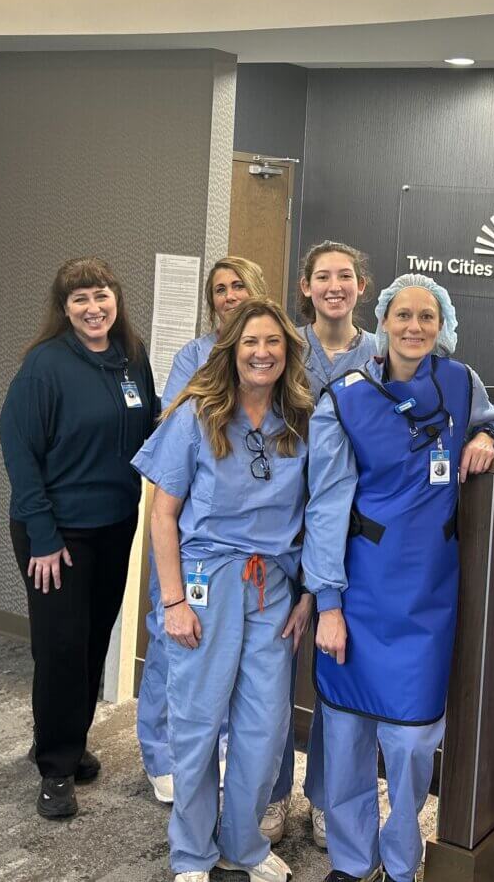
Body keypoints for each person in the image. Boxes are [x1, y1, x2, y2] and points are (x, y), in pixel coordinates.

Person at [303, 274, 494, 882]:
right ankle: (351, 859)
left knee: (414, 743)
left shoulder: (459, 382)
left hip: (429, 593)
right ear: (383, 322)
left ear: (441, 324)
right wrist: (329, 604)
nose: (415, 327)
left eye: (427, 317)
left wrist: (483, 433)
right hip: (360, 587)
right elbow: (326, 506)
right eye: (403, 316)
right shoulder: (344, 399)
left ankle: (400, 859)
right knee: (345, 739)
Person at [131, 299, 313, 882]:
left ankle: (243, 845)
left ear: (288, 351)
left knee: (264, 726)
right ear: (231, 352)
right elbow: (163, 517)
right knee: (198, 722)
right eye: (250, 343)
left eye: (273, 343)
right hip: (206, 583)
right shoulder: (197, 414)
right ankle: (191, 853)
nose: (263, 353)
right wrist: (174, 600)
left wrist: (308, 593)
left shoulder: (301, 422)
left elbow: (320, 512)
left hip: (273, 587)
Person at [0, 257, 158, 820]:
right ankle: (56, 770)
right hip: (55, 533)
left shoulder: (131, 356)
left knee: (91, 641)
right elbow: (18, 451)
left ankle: (67, 736)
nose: (93, 308)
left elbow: (151, 425)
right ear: (63, 309)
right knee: (61, 646)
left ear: (117, 298)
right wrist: (43, 535)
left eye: (101, 295)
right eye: (80, 300)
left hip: (115, 524)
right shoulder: (45, 366)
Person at [140, 255, 270, 804]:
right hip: (192, 535)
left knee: (230, 656)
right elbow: (173, 433)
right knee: (176, 641)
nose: (228, 295)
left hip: (251, 547)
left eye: (239, 285)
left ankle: (211, 751)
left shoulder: (276, 358)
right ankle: (160, 751)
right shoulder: (192, 358)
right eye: (219, 289)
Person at [268, 241, 383, 849]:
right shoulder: (284, 348)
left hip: (358, 535)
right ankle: (272, 794)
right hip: (283, 525)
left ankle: (324, 800)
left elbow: (454, 403)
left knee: (337, 674)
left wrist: (489, 432)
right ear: (305, 286)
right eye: (322, 277)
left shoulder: (384, 353)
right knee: (272, 669)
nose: (334, 285)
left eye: (346, 275)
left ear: (362, 286)